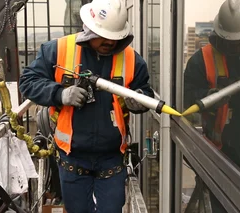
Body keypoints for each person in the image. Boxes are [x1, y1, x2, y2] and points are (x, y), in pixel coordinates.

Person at [19, 0, 154, 212]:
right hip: (72, 156)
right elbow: (28, 82)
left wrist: (139, 101)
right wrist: (60, 94)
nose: (109, 42)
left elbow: (145, 92)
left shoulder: (132, 60)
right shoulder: (57, 51)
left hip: (111, 158)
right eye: (104, 36)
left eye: (114, 38)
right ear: (89, 28)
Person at [183, 0, 240, 212]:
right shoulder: (202, 61)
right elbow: (187, 101)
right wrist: (207, 98)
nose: (237, 47)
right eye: (232, 42)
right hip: (222, 156)